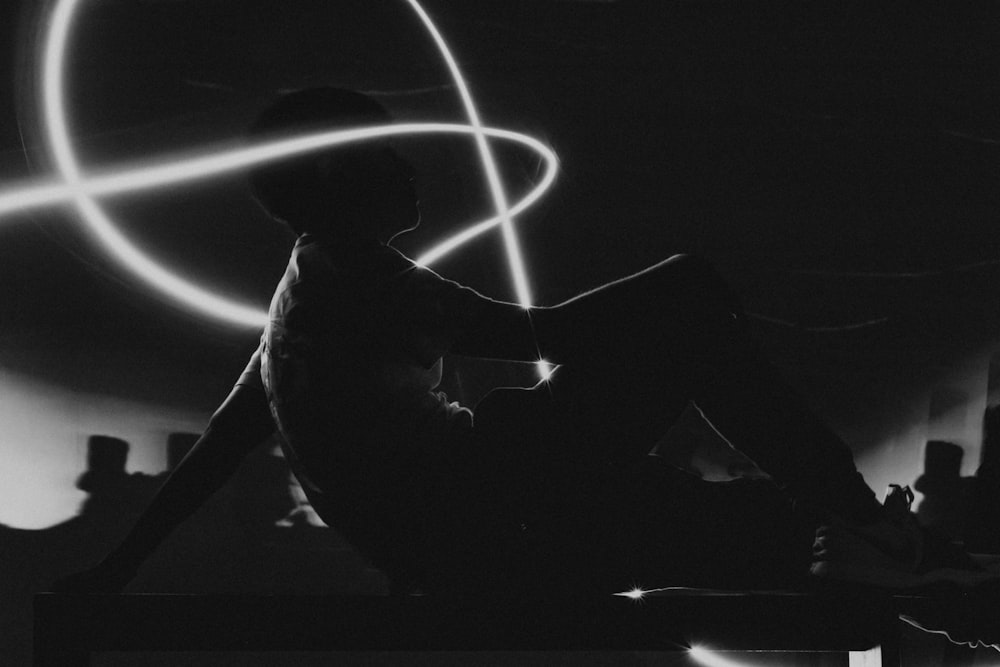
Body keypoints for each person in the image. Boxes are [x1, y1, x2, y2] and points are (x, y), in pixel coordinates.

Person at [53, 87, 985, 599]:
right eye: (382, 154)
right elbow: (549, 334)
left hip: (450, 527)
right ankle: (867, 530)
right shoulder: (370, 285)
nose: (411, 163)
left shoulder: (303, 292)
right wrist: (687, 282)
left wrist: (115, 572)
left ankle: (863, 530)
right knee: (690, 310)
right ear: (336, 181)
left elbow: (219, 449)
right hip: (485, 514)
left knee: (696, 355)